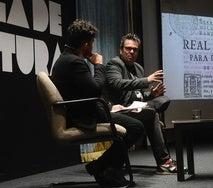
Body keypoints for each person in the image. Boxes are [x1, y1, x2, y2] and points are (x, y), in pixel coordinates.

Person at [51, 20, 144, 187]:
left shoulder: (66, 59)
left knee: (132, 124)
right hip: (85, 117)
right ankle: (101, 166)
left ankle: (106, 169)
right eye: (92, 42)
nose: (93, 46)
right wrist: (99, 65)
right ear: (85, 44)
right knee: (136, 127)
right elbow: (95, 89)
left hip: (84, 111)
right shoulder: (74, 62)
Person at [105, 33, 177, 174]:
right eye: (128, 48)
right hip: (121, 110)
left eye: (135, 49)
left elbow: (139, 95)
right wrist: (146, 80)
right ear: (121, 50)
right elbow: (117, 83)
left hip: (137, 107)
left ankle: (163, 161)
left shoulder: (138, 68)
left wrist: (151, 94)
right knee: (152, 114)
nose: (131, 52)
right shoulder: (114, 64)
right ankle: (164, 161)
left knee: (163, 99)